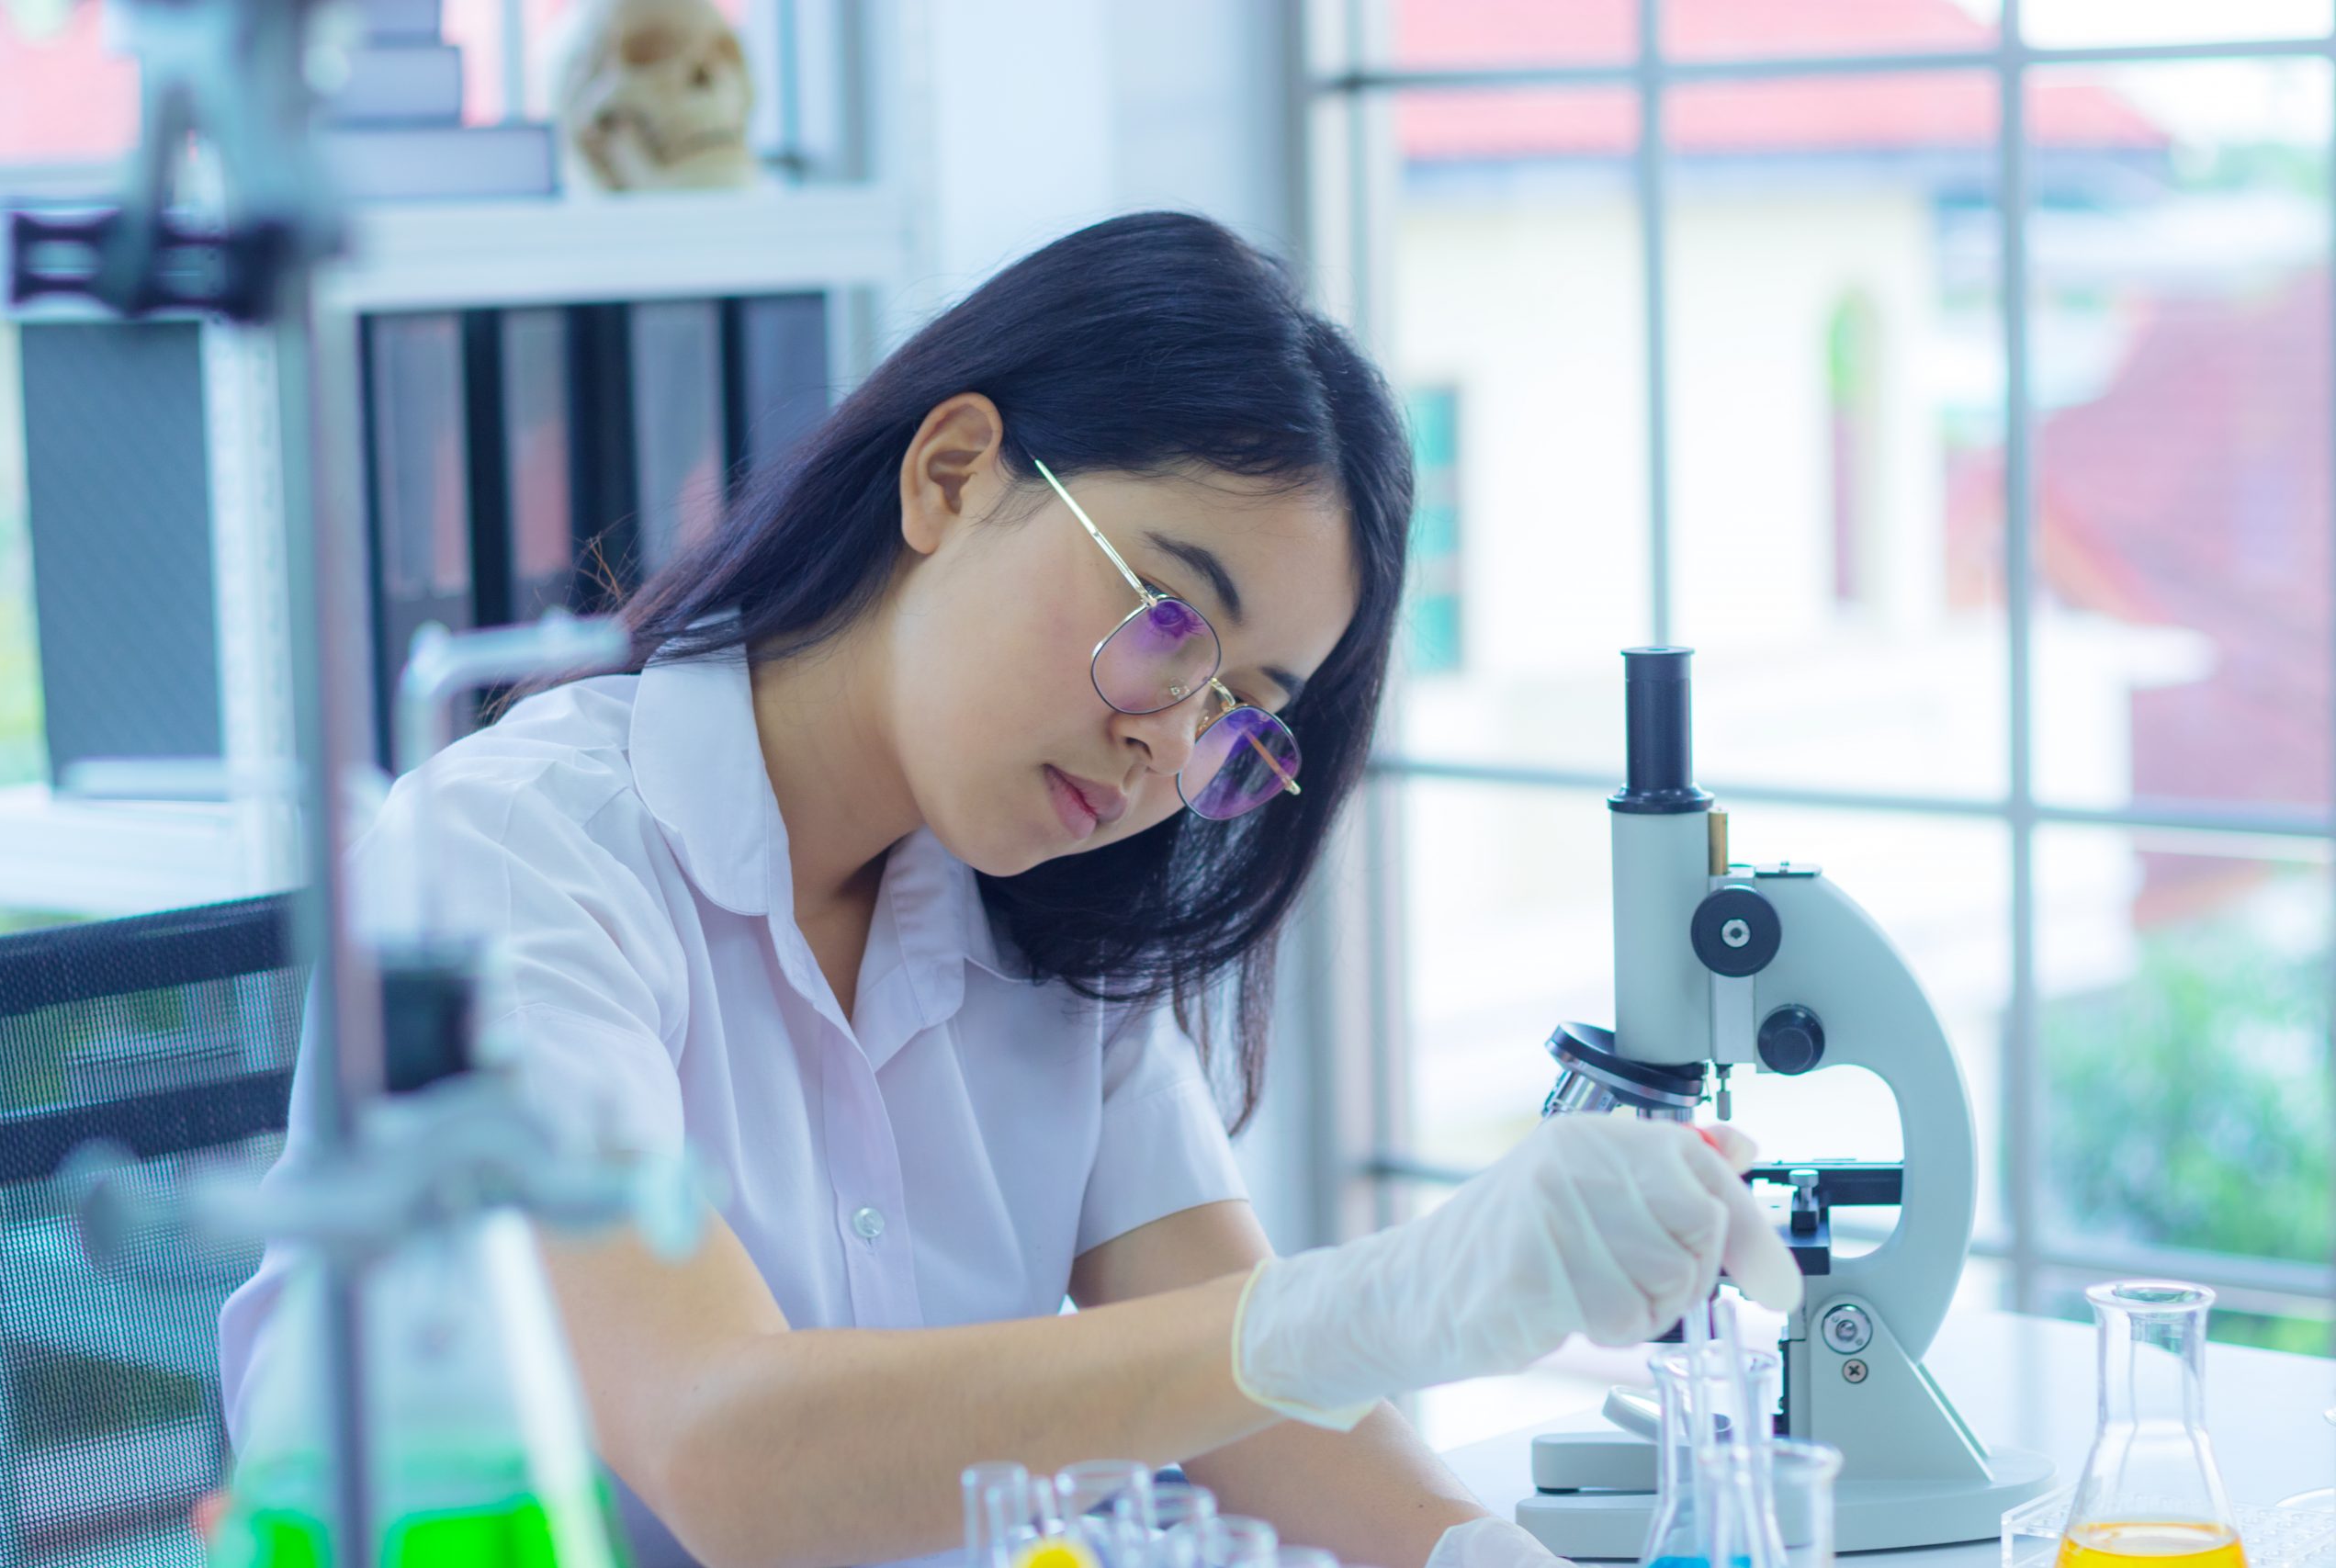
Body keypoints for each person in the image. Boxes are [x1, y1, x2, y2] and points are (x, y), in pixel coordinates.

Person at [218, 211, 1800, 1568]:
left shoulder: (1043, 927)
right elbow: (732, 1457)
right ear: (954, 474)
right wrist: (1392, 1295)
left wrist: (1478, 1553)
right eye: (1170, 620)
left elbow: (1269, 1410)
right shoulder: (513, 865)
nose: (1165, 748)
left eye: (1241, 713)